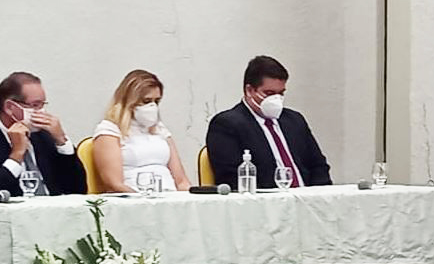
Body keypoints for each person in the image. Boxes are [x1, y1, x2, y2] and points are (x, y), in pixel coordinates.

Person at [206, 55, 332, 189]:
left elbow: (318, 166)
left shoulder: (295, 120)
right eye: (269, 93)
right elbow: (232, 178)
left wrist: (320, 196)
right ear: (249, 90)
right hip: (265, 199)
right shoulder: (227, 124)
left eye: (281, 93)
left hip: (305, 197)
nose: (276, 99)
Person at [0, 71, 86, 198]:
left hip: (53, 208)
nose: (41, 112)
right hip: (10, 210)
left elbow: (78, 190)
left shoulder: (44, 136)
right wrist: (16, 154)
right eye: (35, 105)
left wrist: (62, 142)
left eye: (42, 105)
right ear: (10, 107)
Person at [92, 70, 192, 193]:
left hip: (169, 196)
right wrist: (144, 200)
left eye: (156, 101)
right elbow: (114, 184)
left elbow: (181, 181)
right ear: (129, 101)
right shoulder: (109, 131)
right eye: (146, 101)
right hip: (134, 198)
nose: (152, 106)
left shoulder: (160, 130)